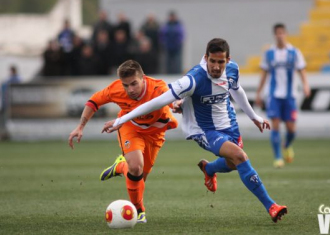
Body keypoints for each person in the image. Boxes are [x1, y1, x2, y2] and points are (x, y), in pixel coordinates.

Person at [102, 38, 288, 223]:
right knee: (240, 156)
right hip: (204, 130)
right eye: (212, 61)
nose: (216, 66)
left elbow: (237, 90)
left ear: (228, 60)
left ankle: (209, 168)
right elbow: (157, 102)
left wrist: (254, 116)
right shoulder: (193, 79)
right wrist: (122, 119)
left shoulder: (233, 69)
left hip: (229, 125)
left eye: (220, 62)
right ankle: (271, 206)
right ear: (206, 58)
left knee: (233, 163)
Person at [68, 60, 178, 223]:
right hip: (130, 128)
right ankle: (139, 211)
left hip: (155, 134)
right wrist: (80, 126)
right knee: (135, 167)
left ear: (143, 78)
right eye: (126, 85)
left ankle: (120, 166)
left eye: (134, 83)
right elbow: (94, 101)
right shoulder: (116, 89)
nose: (130, 90)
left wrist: (177, 104)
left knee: (140, 178)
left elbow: (172, 98)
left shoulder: (157, 87)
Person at [256, 23, 310, 168]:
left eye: (282, 33)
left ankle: (286, 145)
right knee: (274, 126)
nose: (280, 35)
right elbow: (264, 74)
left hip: (290, 96)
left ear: (285, 34)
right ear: (274, 35)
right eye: (277, 33)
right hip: (273, 96)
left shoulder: (294, 52)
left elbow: (301, 70)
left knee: (292, 130)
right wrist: (259, 93)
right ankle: (278, 157)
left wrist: (305, 85)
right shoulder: (269, 53)